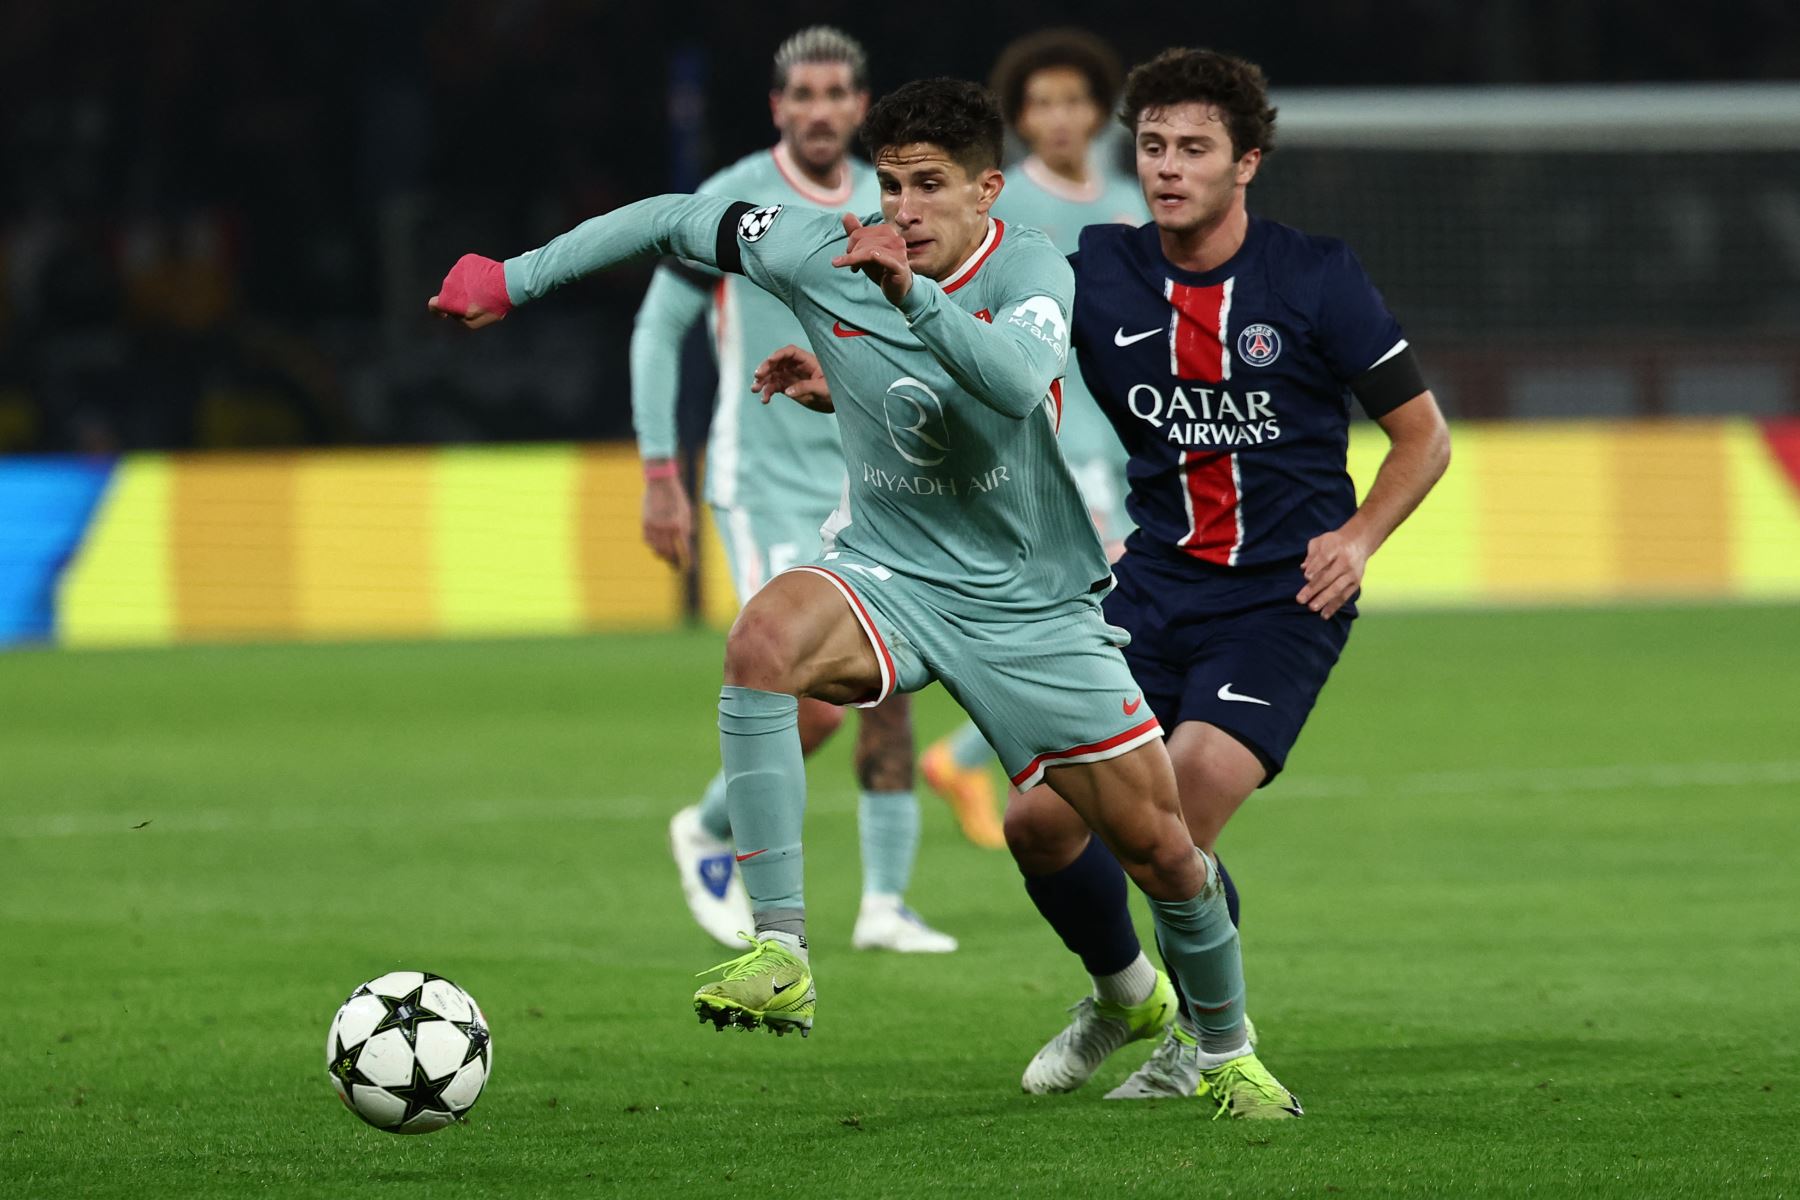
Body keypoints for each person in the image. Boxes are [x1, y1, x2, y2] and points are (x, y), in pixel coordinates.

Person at [430, 76, 1300, 1118]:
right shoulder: (817, 246)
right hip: (888, 572)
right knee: (762, 642)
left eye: (930, 186)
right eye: (890, 186)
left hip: (1028, 606)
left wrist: (904, 299)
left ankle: (1223, 1052)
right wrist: (511, 278)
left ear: (987, 190)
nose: (905, 210)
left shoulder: (1028, 264)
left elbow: (1015, 382)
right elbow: (668, 219)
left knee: (1161, 850)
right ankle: (780, 948)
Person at [1009, 47, 1452, 1102]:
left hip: (1279, 602)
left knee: (1177, 813)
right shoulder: (1096, 269)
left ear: (1246, 161)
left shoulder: (1315, 276)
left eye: (1194, 148)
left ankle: (1203, 1042)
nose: (1167, 167)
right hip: (1150, 587)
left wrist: (1358, 540)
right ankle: (1124, 996)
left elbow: (1422, 439)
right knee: (1035, 826)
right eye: (1153, 146)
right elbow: (987, 357)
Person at [630, 26, 956, 956]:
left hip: (874, 481)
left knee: (893, 680)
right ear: (778, 108)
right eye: (801, 95)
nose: (818, 110)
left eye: (835, 94)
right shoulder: (733, 199)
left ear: (860, 106)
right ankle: (708, 827)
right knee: (811, 692)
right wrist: (663, 473)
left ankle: (885, 904)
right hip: (765, 487)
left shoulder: (885, 202)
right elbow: (661, 331)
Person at [918, 29, 1146, 850]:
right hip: (1050, 432)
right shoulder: (1003, 198)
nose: (1059, 116)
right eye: (1041, 102)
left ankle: (992, 756)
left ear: (1097, 112)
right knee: (1107, 595)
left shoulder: (1128, 197)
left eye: (1074, 100)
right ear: (1020, 116)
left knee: (1102, 602)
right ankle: (983, 752)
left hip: (1125, 428)